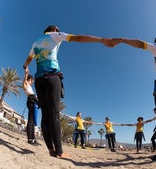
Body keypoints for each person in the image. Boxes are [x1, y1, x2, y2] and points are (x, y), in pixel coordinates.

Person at [23, 25, 115, 158]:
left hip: (39, 79)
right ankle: (59, 152)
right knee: (54, 113)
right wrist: (101, 40)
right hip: (52, 76)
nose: (59, 31)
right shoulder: (54, 35)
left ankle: (50, 149)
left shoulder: (36, 42)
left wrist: (25, 67)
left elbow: (29, 58)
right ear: (53, 30)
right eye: (58, 29)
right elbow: (77, 38)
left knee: (45, 114)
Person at [22, 68, 39, 145]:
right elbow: (25, 78)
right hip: (31, 100)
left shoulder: (29, 87)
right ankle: (30, 139)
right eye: (32, 80)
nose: (32, 82)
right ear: (30, 79)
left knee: (32, 120)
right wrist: (26, 73)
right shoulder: (25, 84)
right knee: (31, 120)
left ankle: (33, 138)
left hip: (33, 99)